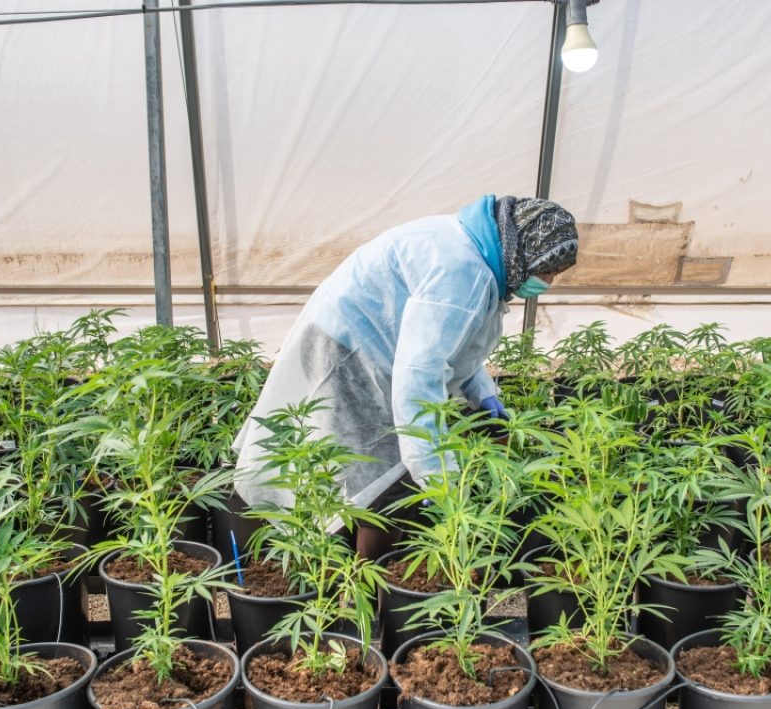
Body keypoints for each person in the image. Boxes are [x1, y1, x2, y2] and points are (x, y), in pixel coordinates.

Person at [228, 194, 579, 560]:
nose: (549, 281)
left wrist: (482, 393)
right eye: (549, 269)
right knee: (389, 475)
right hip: (348, 355)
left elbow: (453, 345)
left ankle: (356, 564)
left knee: (370, 470)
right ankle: (370, 575)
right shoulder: (463, 273)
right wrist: (437, 474)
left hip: (355, 344)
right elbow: (418, 377)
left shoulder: (473, 249)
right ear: (526, 251)